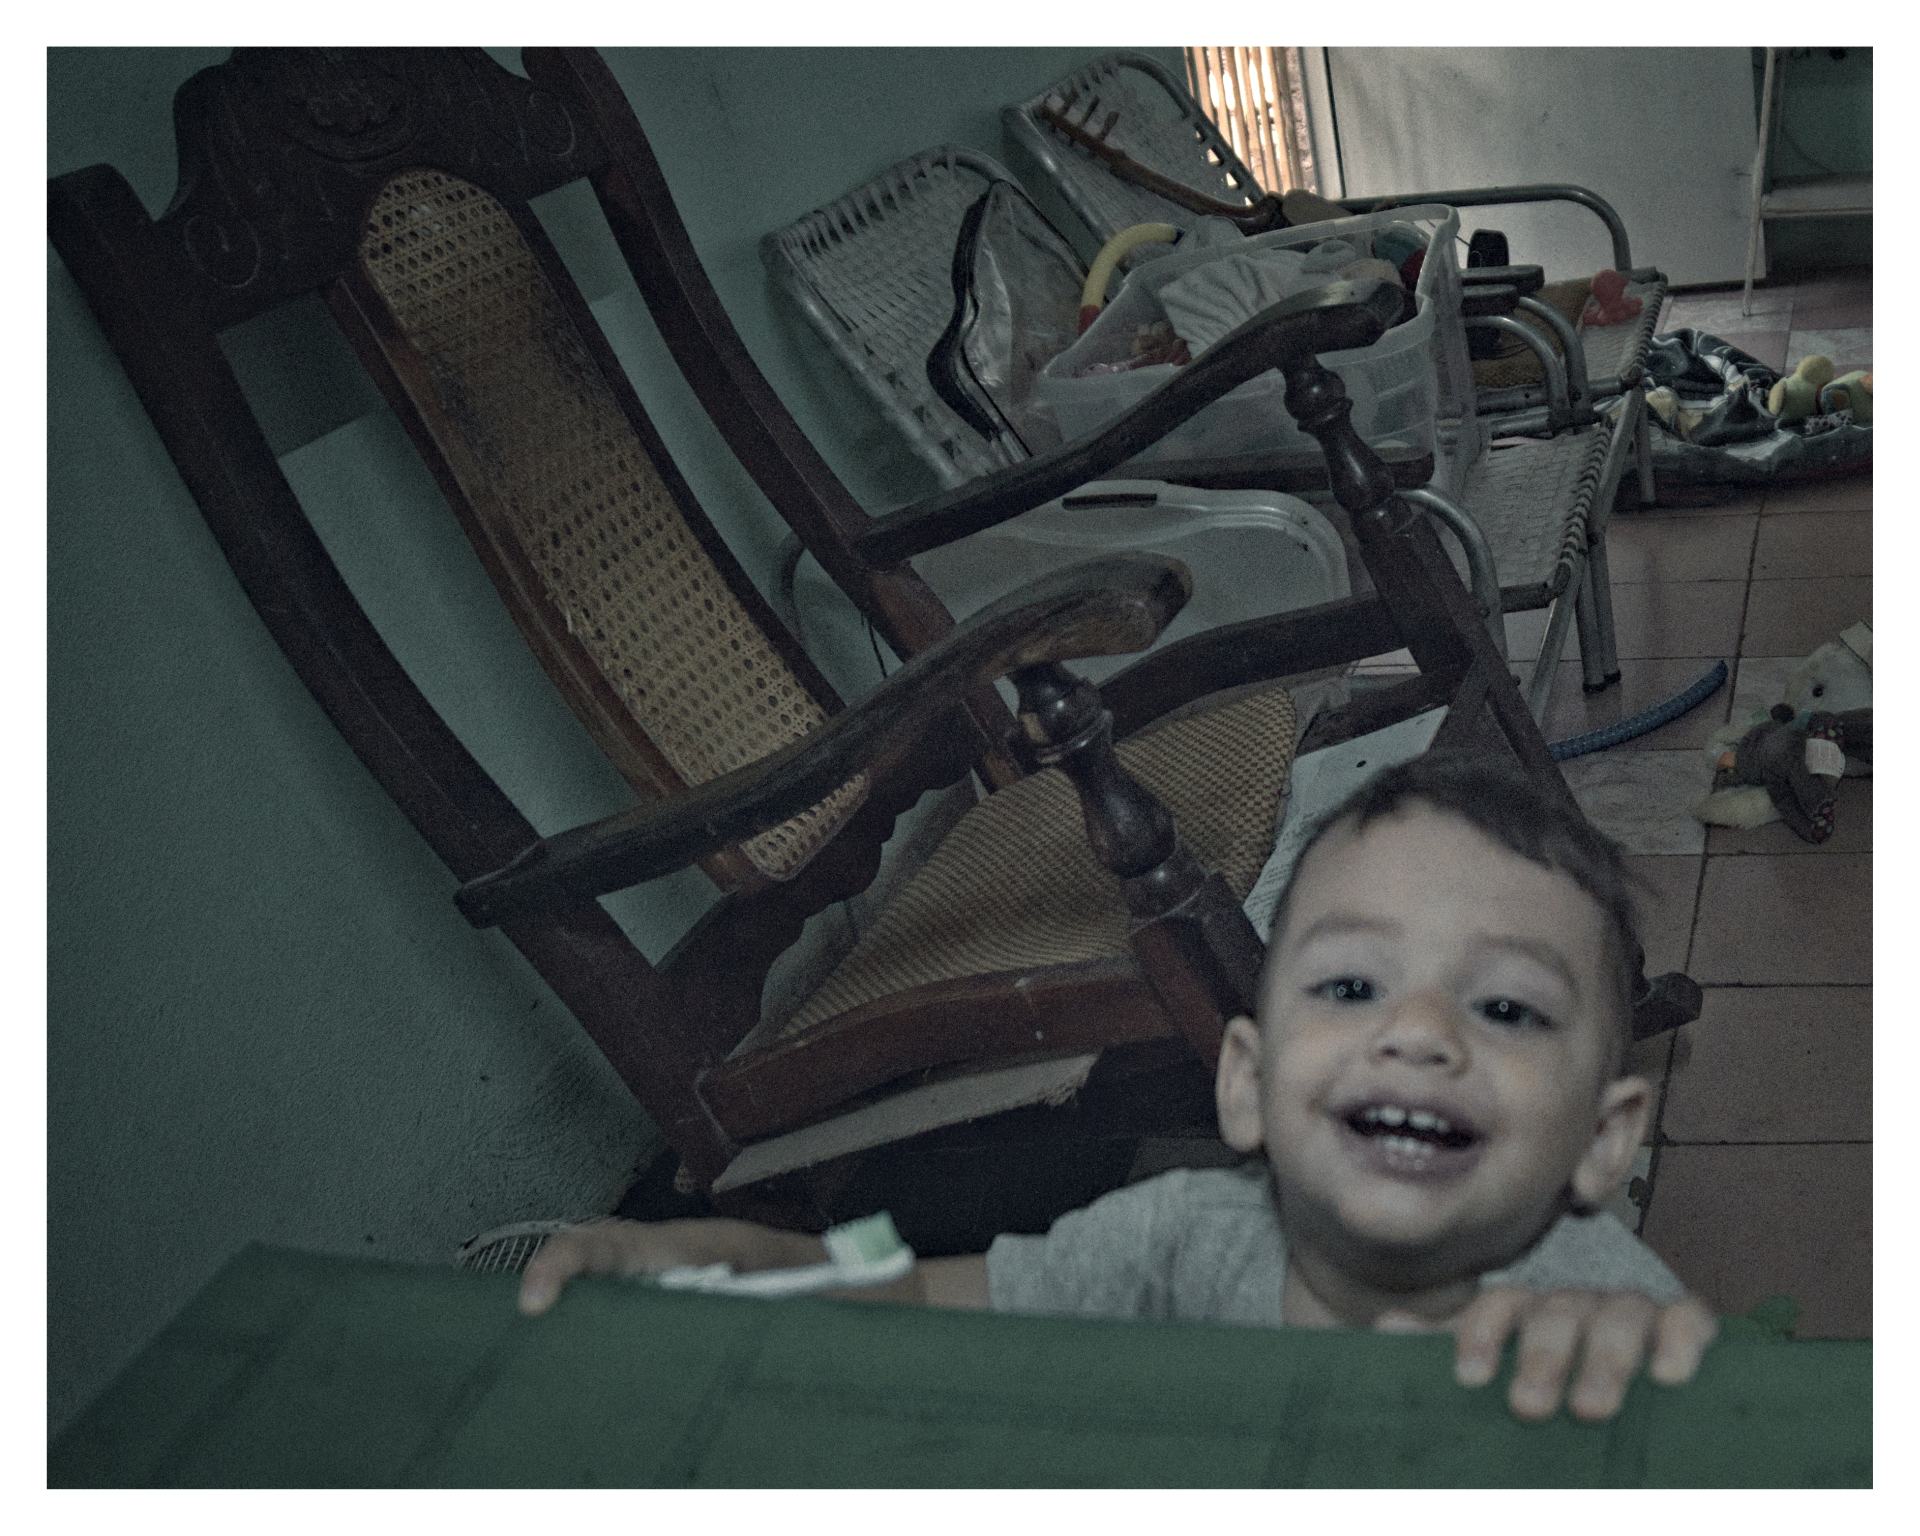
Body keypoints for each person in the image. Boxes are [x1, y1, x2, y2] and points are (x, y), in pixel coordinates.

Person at [518, 753, 1717, 1422]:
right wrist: (737, 1266)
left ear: (1602, 1144)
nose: (1416, 1033)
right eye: (1351, 987)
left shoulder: (1590, 1307)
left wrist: (1640, 1394)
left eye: (1504, 1007)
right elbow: (918, 1292)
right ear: (1243, 1084)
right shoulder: (1184, 1240)